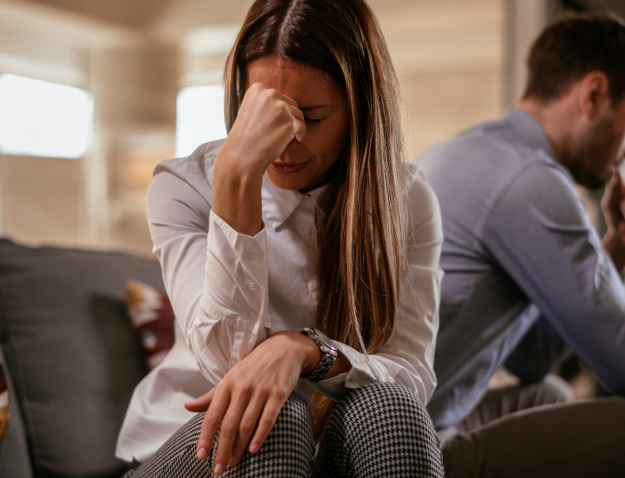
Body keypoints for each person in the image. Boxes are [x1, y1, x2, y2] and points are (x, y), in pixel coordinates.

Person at [115, 0, 446, 476]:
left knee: (392, 409)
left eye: (310, 118)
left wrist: (307, 350)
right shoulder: (185, 187)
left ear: (359, 111)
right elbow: (227, 365)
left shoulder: (408, 200)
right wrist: (236, 177)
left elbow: (411, 376)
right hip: (183, 451)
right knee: (272, 420)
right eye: (267, 114)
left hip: (318, 455)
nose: (285, 142)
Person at [415, 12, 625, 478]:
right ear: (594, 94)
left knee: (549, 394)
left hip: (399, 416)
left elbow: (530, 359)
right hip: (409, 450)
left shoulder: (469, 151)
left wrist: (618, 251)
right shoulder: (533, 183)